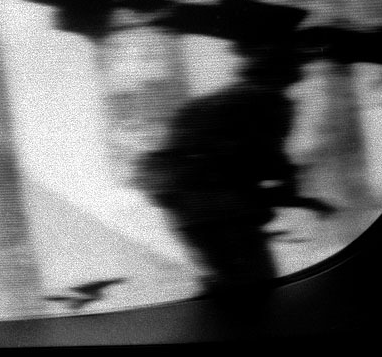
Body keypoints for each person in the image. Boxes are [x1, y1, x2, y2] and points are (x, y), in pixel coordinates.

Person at [137, 39, 334, 297]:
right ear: (284, 73)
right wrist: (298, 196)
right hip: (225, 211)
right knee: (255, 289)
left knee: (225, 283)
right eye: (295, 70)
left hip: (184, 211)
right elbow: (268, 159)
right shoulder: (269, 100)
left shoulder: (202, 103)